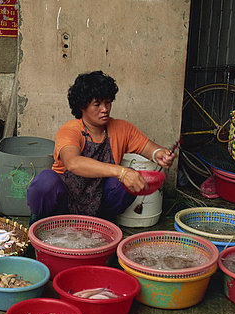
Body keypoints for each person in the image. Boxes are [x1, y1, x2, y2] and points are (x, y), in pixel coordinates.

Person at [26, 70, 175, 224]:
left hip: (99, 204)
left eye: (108, 102)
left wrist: (160, 154)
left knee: (123, 183)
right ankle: (41, 221)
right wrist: (122, 171)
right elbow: (73, 163)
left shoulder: (121, 128)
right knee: (45, 181)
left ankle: (103, 223)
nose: (105, 109)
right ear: (82, 106)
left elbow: (150, 149)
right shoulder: (70, 130)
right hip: (63, 204)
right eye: (97, 104)